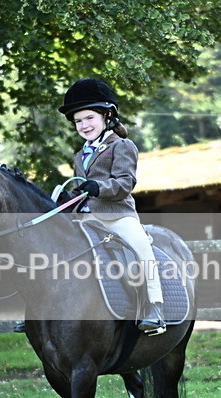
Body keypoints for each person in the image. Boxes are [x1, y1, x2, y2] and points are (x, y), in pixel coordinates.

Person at [59, 77, 166, 335]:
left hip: (117, 215)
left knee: (141, 248)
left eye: (89, 118)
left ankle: (155, 308)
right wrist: (68, 198)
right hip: (85, 219)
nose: (83, 125)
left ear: (107, 115)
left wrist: (99, 188)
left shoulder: (122, 146)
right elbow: (82, 189)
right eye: (78, 121)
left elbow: (124, 183)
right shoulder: (79, 155)